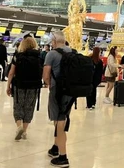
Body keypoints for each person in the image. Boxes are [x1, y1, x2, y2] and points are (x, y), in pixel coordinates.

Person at [43, 31, 76, 168]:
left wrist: (49, 84)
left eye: (51, 41)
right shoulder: (72, 52)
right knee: (62, 118)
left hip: (57, 91)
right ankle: (56, 147)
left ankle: (63, 157)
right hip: (71, 91)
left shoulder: (52, 54)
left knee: (60, 122)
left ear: (55, 41)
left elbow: (45, 75)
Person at [6, 36, 43, 141]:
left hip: (19, 85)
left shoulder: (18, 56)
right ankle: (25, 131)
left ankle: (19, 127)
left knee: (18, 106)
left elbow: (11, 72)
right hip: (34, 86)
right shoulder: (39, 56)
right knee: (29, 107)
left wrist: (8, 85)